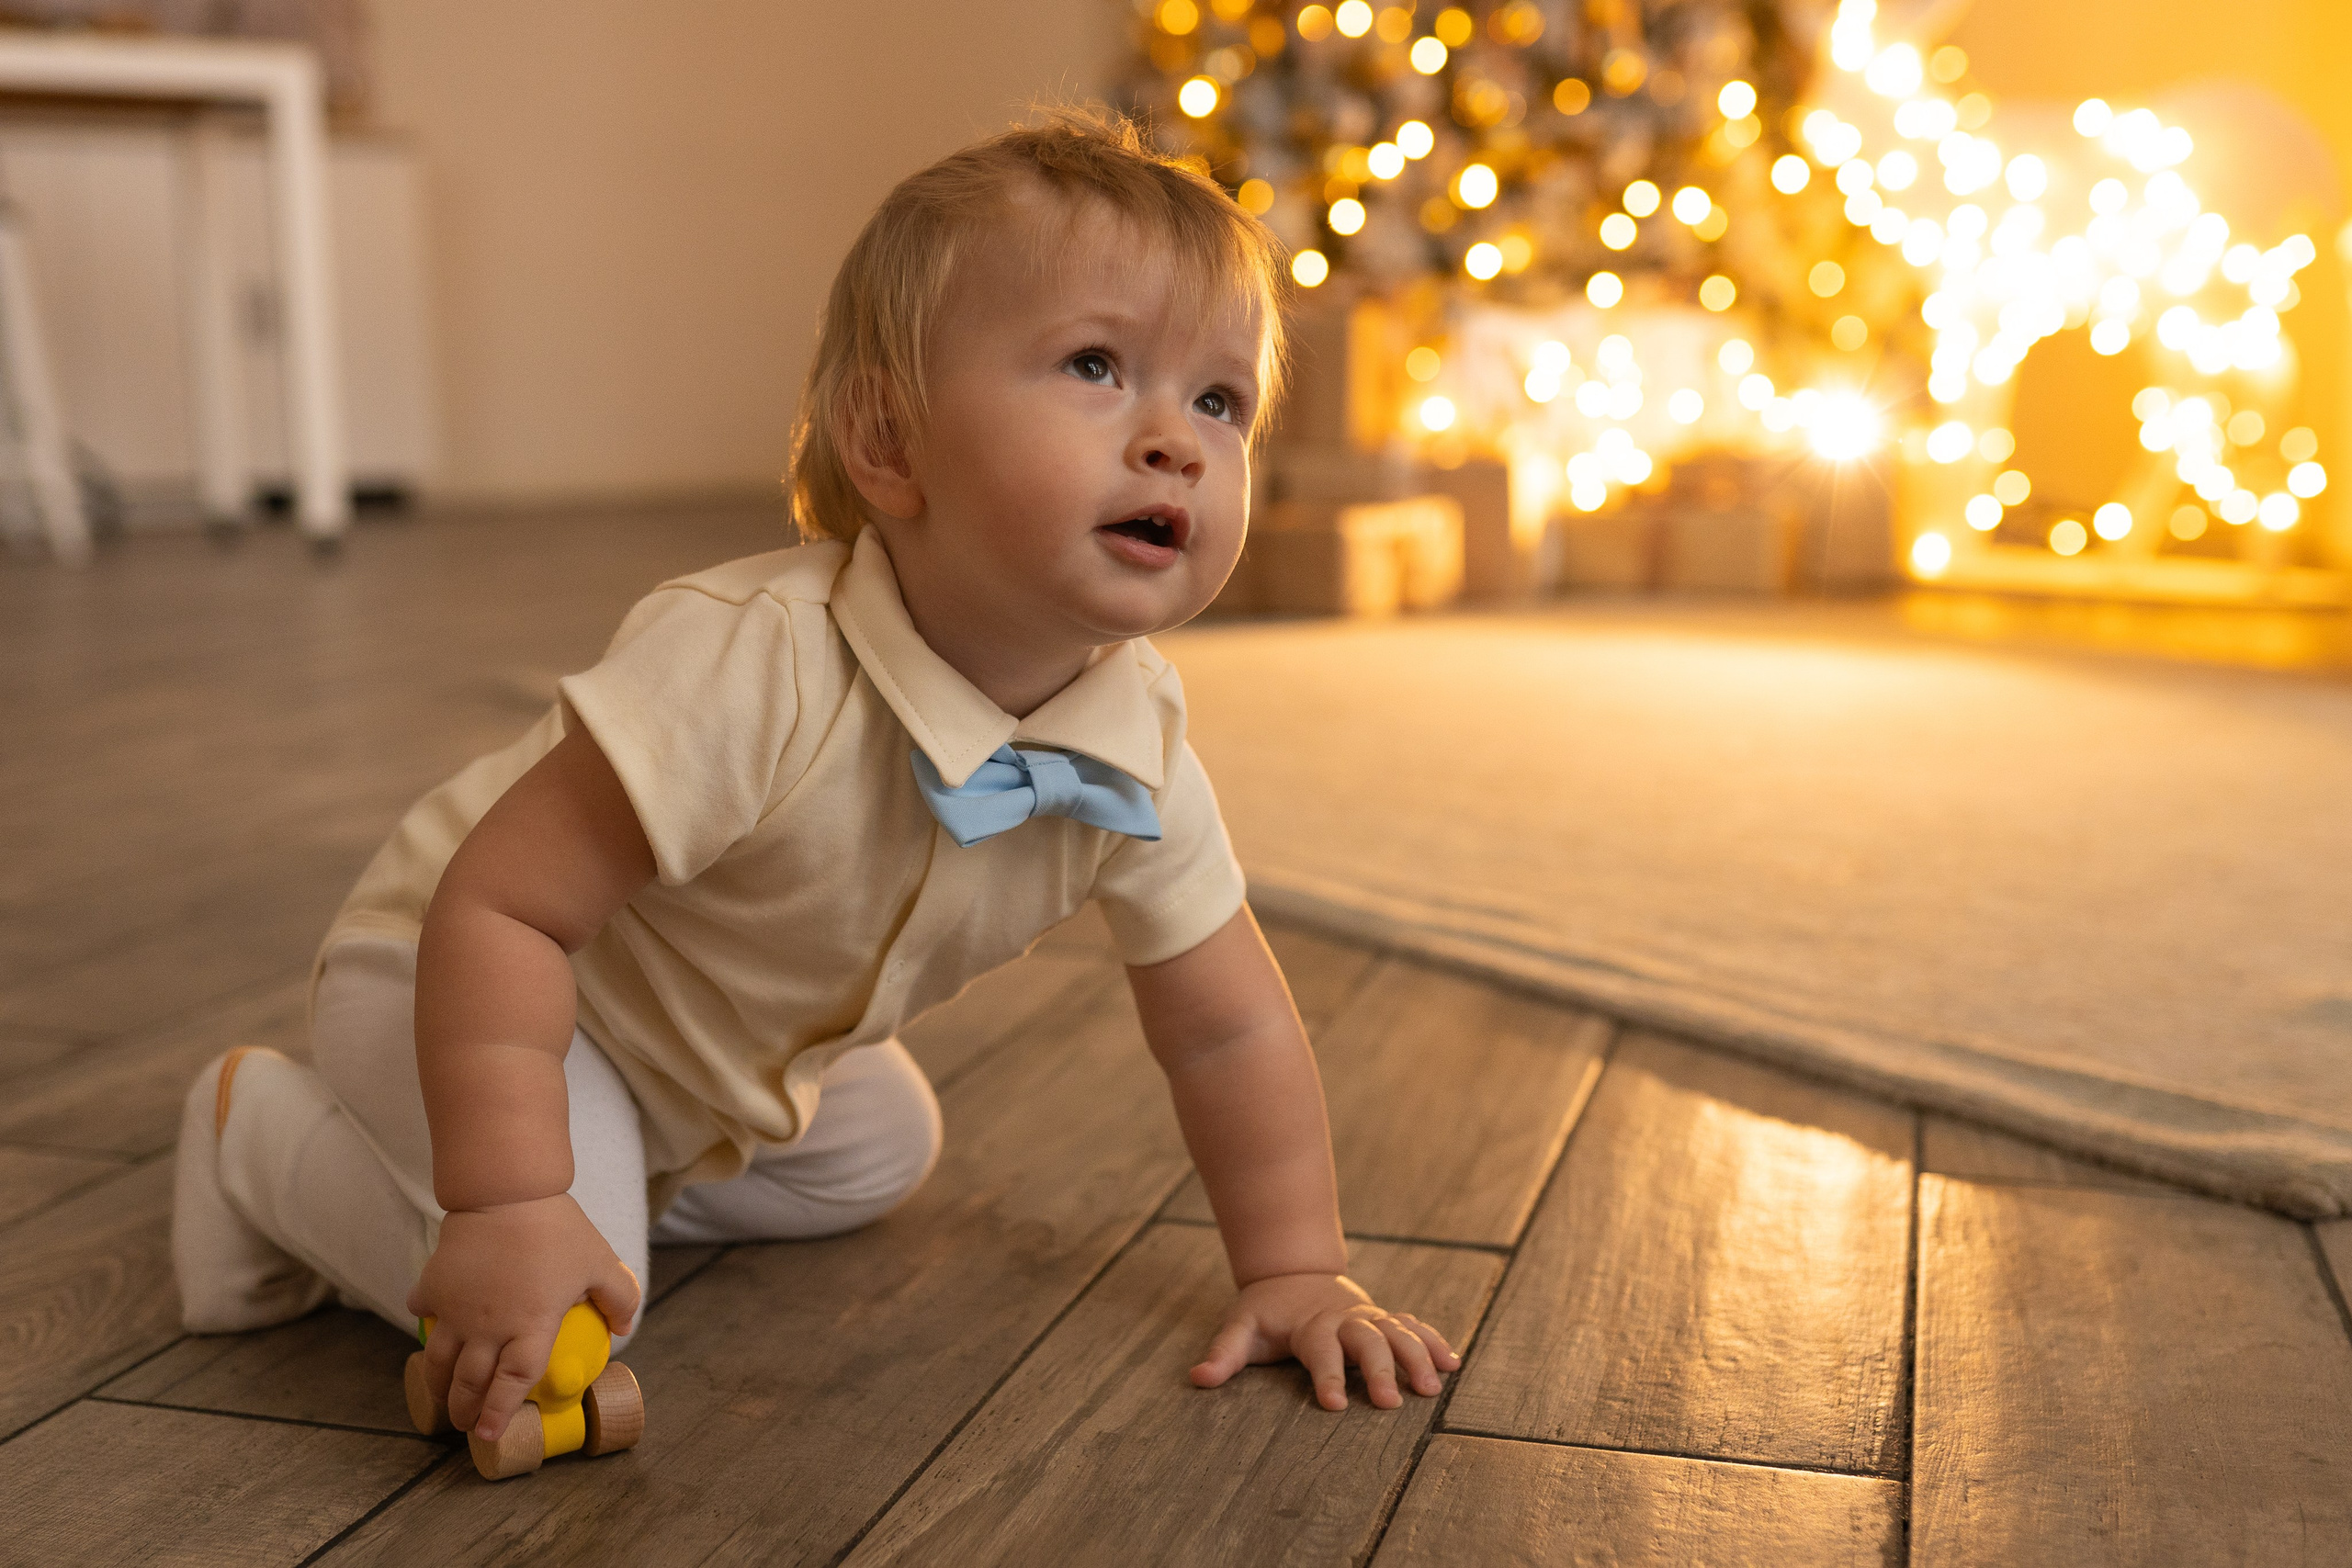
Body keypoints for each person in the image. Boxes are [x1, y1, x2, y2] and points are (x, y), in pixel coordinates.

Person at [171, 107, 1458, 1449]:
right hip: (468, 981)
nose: (1176, 441)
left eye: (1219, 400)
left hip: (713, 1043)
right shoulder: (752, 664)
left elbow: (1228, 1027)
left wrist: (1296, 1265)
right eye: (1095, 365)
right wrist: (512, 1204)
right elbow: (504, 910)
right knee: (582, 1287)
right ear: (889, 444)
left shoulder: (1134, 750)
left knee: (879, 1153)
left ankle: (596, 1174)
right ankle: (260, 1140)